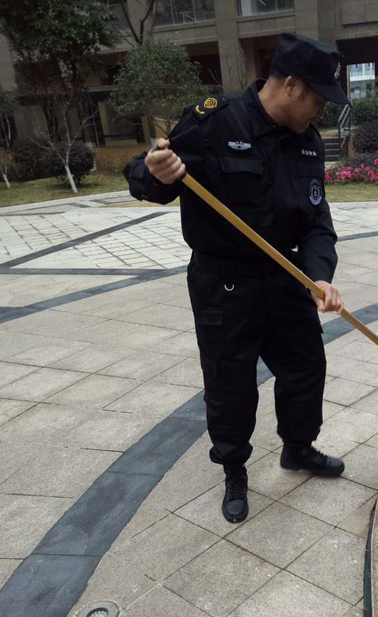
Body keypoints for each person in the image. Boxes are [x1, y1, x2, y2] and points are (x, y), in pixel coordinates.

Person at [124, 32, 349, 524]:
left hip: (286, 276)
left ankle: (298, 447)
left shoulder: (307, 144)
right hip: (223, 285)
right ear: (292, 85)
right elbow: (148, 175)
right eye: (319, 99)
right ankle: (234, 469)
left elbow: (317, 219)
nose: (322, 111)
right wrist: (155, 172)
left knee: (306, 367)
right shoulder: (213, 122)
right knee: (230, 384)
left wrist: (319, 276)